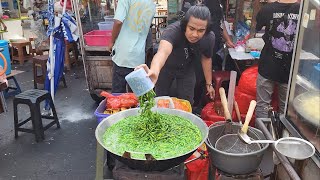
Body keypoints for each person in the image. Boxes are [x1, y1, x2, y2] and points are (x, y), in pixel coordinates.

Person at [136, 5, 215, 104]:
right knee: (160, 100)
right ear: (185, 24)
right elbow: (163, 52)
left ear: (206, 29)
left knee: (187, 102)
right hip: (165, 68)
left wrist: (209, 84)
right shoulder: (173, 31)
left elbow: (206, 58)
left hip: (187, 69)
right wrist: (154, 71)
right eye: (191, 28)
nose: (195, 34)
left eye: (201, 31)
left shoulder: (209, 38)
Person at [255, 0, 300, 118]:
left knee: (263, 106)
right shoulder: (303, 10)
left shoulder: (267, 9)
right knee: (286, 109)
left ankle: (262, 135)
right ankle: (282, 135)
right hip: (290, 68)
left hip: (268, 65)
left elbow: (258, 27)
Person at [107, 0, 156, 93]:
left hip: (123, 55)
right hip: (139, 57)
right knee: (137, 94)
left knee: (118, 94)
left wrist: (111, 42)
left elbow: (118, 22)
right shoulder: (151, 4)